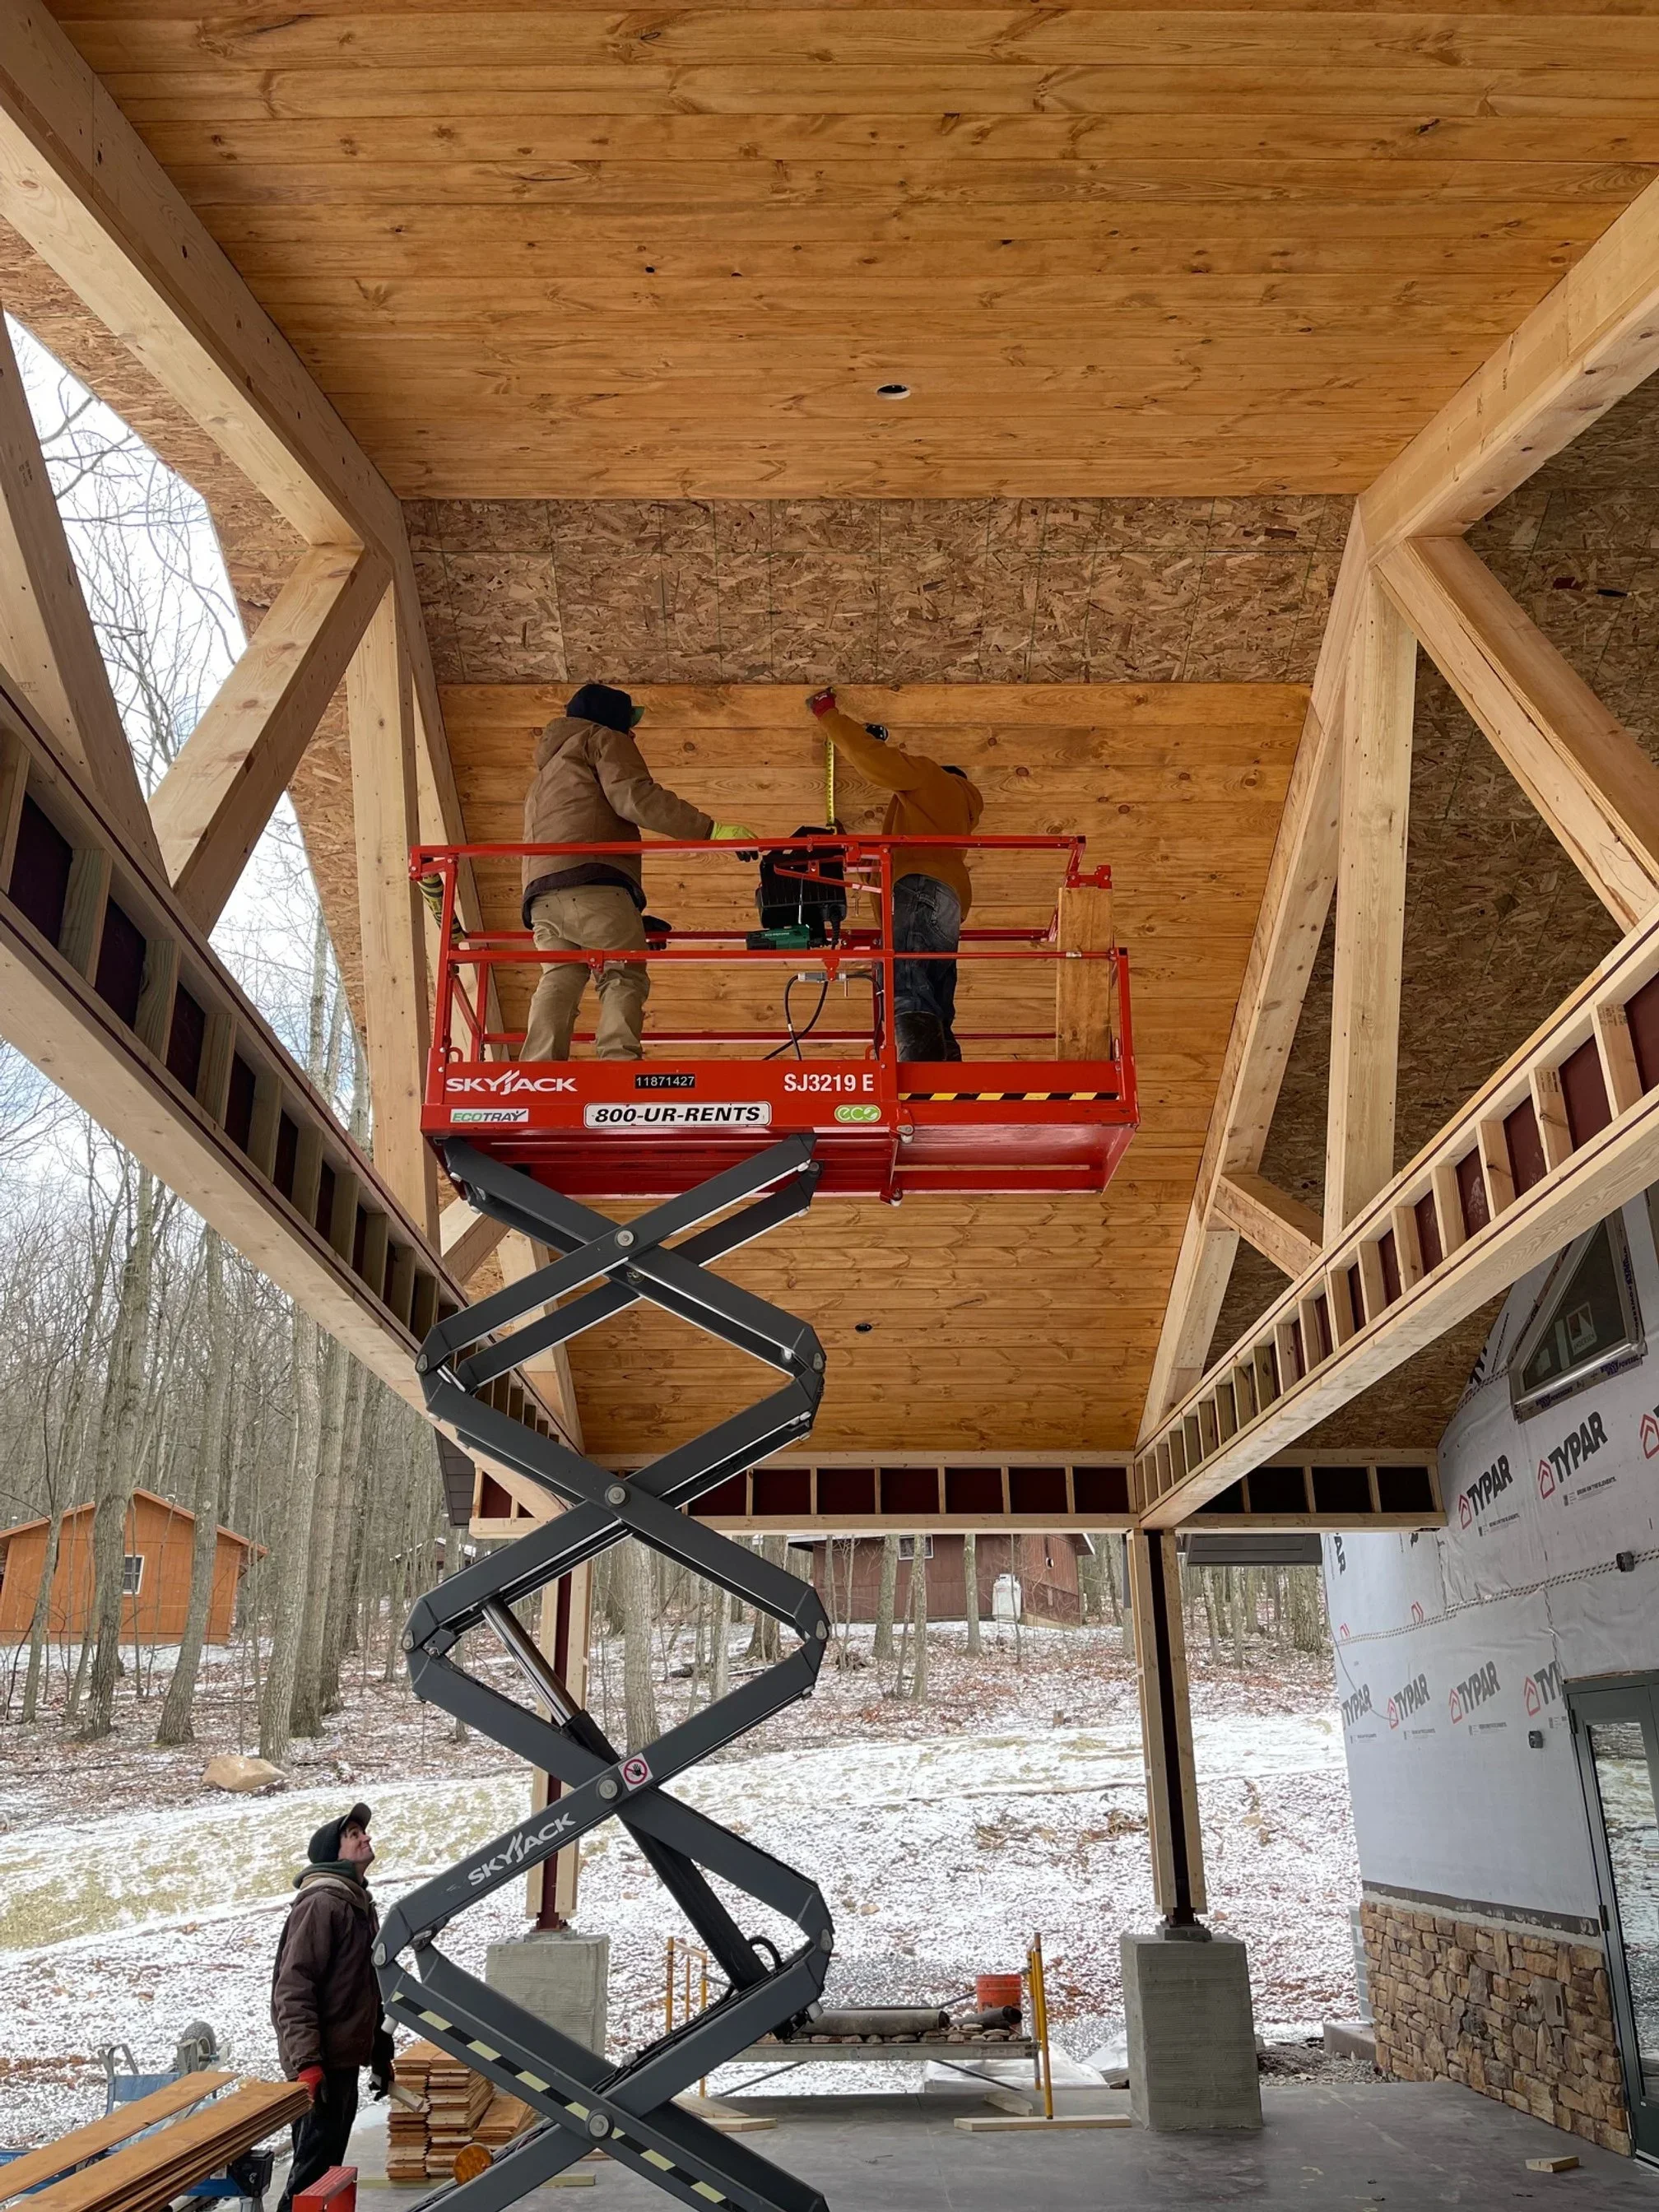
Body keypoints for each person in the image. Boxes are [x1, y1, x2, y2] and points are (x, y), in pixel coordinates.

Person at [521, 682, 754, 1061]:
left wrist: (631, 917)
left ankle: (538, 1072)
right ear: (610, 720)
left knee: (560, 976)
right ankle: (618, 1067)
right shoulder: (601, 740)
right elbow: (635, 796)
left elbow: (579, 828)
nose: (633, 733)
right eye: (629, 723)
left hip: (542, 898)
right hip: (595, 883)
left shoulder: (544, 777)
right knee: (623, 974)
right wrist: (711, 831)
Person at [806, 688, 983, 1061]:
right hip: (943, 898)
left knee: (907, 984)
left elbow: (876, 761)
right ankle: (945, 1083)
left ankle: (925, 1078)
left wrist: (829, 715)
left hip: (920, 888)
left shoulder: (934, 779)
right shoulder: (948, 821)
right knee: (932, 998)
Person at [271, 1802, 393, 2212]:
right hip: (318, 2069)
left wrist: (379, 2054)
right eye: (353, 1833)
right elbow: (293, 1989)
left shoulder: (357, 1905)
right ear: (332, 1852)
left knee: (325, 2175)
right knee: (309, 2179)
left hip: (340, 2064)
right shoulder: (323, 1904)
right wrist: (307, 2063)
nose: (365, 1837)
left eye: (364, 1831)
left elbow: (366, 1992)